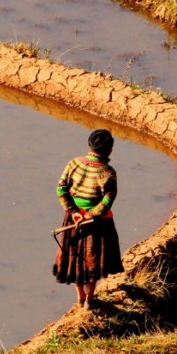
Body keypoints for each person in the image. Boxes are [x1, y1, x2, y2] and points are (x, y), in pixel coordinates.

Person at [53, 128, 124, 308]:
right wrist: (89, 215)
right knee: (93, 260)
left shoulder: (74, 164)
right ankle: (90, 299)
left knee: (74, 257)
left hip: (73, 220)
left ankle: (80, 297)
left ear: (90, 145)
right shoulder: (108, 172)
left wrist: (74, 212)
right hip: (98, 223)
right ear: (109, 149)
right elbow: (107, 201)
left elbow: (61, 189)